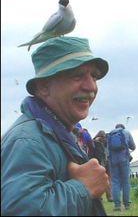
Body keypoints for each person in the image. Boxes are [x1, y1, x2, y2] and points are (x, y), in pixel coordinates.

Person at [1, 37, 110, 216]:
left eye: (94, 77)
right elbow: (20, 211)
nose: (91, 87)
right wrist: (83, 187)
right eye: (77, 75)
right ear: (44, 86)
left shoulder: (60, 133)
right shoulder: (28, 141)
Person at [107, 123, 136, 211]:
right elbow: (133, 146)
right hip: (124, 159)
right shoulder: (126, 132)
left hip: (113, 160)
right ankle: (126, 205)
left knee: (115, 182)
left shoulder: (110, 134)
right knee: (126, 182)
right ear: (123, 127)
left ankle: (117, 205)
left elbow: (108, 148)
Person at [93, 130, 113, 202]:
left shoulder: (95, 142)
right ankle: (109, 196)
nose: (103, 138)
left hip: (102, 162)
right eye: (103, 136)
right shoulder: (97, 142)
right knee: (106, 179)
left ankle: (104, 196)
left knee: (102, 180)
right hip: (104, 162)